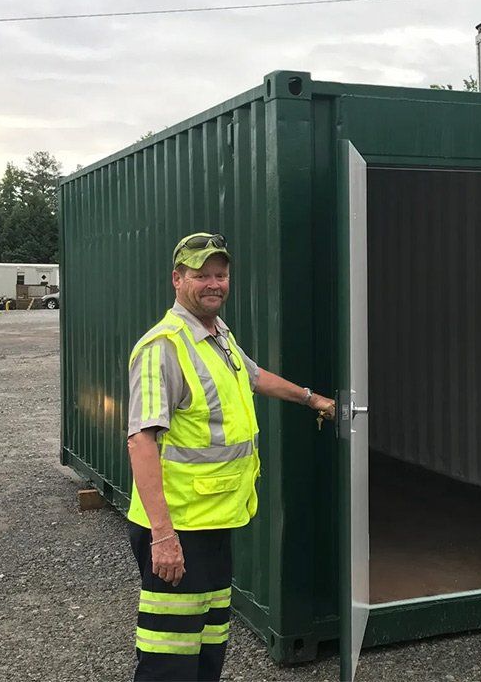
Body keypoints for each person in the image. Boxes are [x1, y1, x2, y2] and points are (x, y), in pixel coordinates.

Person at [126, 232, 335, 682]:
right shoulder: (163, 347)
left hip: (216, 520)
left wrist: (311, 398)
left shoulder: (218, 335)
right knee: (169, 655)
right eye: (201, 275)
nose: (214, 284)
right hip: (178, 528)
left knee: (208, 643)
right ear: (177, 280)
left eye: (220, 275)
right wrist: (163, 536)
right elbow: (140, 441)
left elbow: (256, 376)